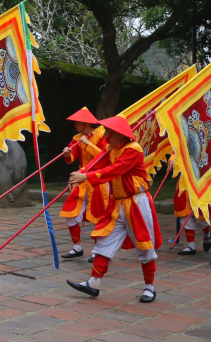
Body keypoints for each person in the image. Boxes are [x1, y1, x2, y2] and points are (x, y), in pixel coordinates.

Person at [66, 114, 161, 304]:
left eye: (109, 132)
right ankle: (94, 283)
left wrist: (86, 177)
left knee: (144, 246)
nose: (106, 135)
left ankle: (150, 287)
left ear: (119, 134)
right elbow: (98, 162)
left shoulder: (133, 150)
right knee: (104, 241)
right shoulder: (113, 148)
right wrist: (80, 172)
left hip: (136, 203)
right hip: (118, 203)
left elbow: (115, 169)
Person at [59, 108, 108, 260]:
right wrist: (68, 153)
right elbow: (72, 156)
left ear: (85, 122)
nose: (74, 124)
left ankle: (98, 251)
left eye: (77, 122)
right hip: (82, 179)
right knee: (71, 213)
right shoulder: (77, 137)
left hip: (98, 180)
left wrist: (88, 144)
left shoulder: (101, 134)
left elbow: (104, 157)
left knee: (99, 216)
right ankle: (77, 247)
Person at [173, 173, 211, 256]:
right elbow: (177, 159)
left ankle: (207, 234)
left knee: (201, 217)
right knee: (184, 214)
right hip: (184, 183)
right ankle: (191, 246)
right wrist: (172, 161)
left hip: (201, 181)